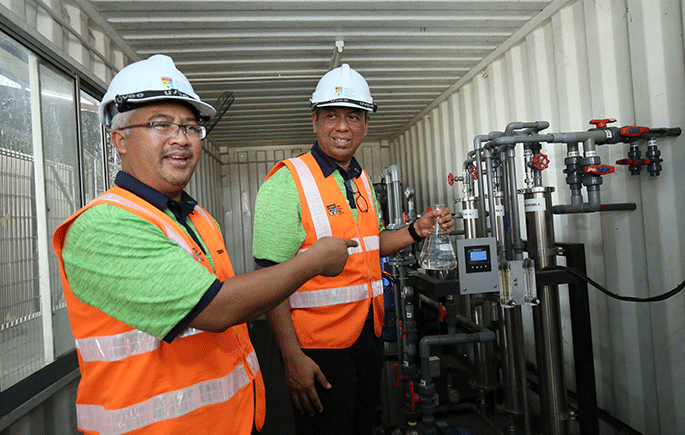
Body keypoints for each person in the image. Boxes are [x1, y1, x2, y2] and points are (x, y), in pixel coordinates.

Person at [51, 54, 356, 435]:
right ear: (119, 139)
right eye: (160, 124)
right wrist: (314, 261)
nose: (180, 138)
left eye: (190, 127)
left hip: (231, 421)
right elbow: (217, 308)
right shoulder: (103, 227)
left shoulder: (195, 218)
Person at [252, 64, 453, 435]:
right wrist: (291, 357)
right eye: (331, 116)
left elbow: (371, 245)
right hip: (317, 348)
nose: (342, 127)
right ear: (315, 121)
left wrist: (416, 230)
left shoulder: (359, 180)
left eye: (353, 116)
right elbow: (267, 279)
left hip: (367, 337)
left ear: (366, 124)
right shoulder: (287, 181)